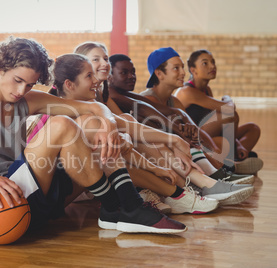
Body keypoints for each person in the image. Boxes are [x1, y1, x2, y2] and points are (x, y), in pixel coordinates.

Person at [0, 36, 187, 234]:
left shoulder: (26, 99)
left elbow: (93, 107)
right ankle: (122, 206)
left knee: (89, 123)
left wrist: (106, 123)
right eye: (17, 80)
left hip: (32, 191)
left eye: (29, 84)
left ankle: (122, 207)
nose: (21, 90)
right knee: (61, 125)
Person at [73, 43, 255, 206]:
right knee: (148, 139)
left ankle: (197, 186)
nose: (104, 63)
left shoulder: (102, 92)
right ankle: (202, 182)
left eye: (105, 58)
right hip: (93, 170)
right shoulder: (108, 94)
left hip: (121, 156)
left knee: (151, 137)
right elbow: (141, 114)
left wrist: (177, 136)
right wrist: (176, 138)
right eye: (96, 59)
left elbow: (134, 123)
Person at [48, 53, 221, 214]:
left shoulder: (89, 104)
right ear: (69, 85)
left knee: (124, 128)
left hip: (99, 173)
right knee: (112, 148)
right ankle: (179, 192)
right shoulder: (65, 115)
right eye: (89, 76)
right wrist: (155, 166)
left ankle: (184, 189)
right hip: (70, 188)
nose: (96, 80)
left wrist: (174, 140)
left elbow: (128, 125)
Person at [107, 53, 254, 185]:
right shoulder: (118, 96)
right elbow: (145, 112)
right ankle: (213, 175)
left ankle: (219, 170)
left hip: (174, 140)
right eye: (176, 68)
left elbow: (177, 112)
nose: (184, 73)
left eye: (133, 72)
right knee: (182, 138)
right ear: (159, 73)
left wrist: (185, 126)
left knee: (250, 129)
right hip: (142, 146)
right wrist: (179, 131)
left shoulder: (132, 95)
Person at [174, 49, 263, 174]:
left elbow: (224, 126)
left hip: (209, 137)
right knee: (228, 116)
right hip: (194, 140)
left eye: (213, 62)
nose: (212, 66)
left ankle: (236, 156)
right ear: (193, 70)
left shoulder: (207, 90)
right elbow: (229, 109)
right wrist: (227, 98)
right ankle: (232, 161)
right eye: (205, 63)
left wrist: (238, 144)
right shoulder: (187, 91)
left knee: (253, 129)